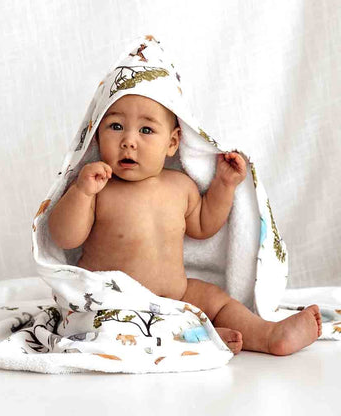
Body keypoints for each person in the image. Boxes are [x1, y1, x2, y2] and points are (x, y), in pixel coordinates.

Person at [48, 93, 322, 355]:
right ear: (97, 136)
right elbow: (65, 238)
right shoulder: (97, 188)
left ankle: (267, 335)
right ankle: (198, 338)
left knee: (217, 301)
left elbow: (204, 226)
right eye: (116, 126)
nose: (128, 141)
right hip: (115, 302)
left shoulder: (180, 186)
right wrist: (81, 192)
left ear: (172, 142)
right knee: (113, 326)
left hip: (176, 295)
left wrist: (224, 184)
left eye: (146, 130)